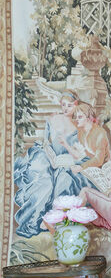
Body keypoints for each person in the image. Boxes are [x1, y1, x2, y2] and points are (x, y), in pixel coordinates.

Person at [12, 90, 89, 237]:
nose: (65, 109)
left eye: (69, 105)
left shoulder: (78, 125)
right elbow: (45, 142)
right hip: (45, 155)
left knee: (64, 181)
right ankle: (30, 222)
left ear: (76, 105)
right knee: (44, 182)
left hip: (63, 162)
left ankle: (52, 221)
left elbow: (78, 152)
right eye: (63, 105)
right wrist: (51, 157)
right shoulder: (53, 119)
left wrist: (63, 160)